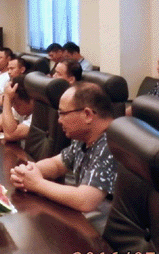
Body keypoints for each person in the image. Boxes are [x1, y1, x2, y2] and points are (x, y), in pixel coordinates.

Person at [10, 82, 117, 213]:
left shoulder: (111, 143)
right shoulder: (86, 138)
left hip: (100, 223)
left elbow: (85, 201)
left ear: (87, 115)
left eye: (63, 113)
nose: (59, 120)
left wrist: (37, 183)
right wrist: (27, 171)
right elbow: (57, 165)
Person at [0, 75, 34, 142]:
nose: (13, 106)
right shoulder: (22, 108)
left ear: (31, 100)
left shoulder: (39, 115)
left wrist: (7, 98)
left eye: (15, 102)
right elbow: (2, 117)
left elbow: (10, 135)